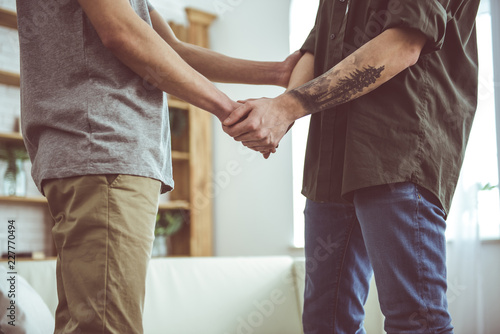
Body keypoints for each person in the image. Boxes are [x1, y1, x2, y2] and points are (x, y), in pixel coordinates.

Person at [15, 0, 299, 333]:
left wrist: (278, 72)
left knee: (90, 321)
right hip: (104, 147)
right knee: (104, 326)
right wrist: (229, 110)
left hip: (102, 153)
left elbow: (169, 49)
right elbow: (121, 33)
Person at [224, 0, 481, 333]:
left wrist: (287, 107)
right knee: (325, 323)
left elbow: (402, 44)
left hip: (397, 150)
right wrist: (277, 115)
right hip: (330, 160)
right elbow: (315, 54)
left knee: (415, 321)